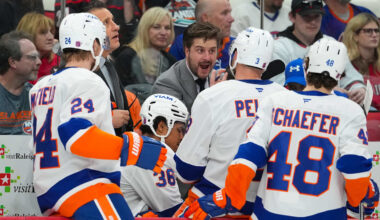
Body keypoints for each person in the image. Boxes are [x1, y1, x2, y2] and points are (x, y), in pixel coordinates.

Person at [184, 38, 379, 220]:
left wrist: (228, 196)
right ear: (341, 74)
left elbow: (249, 156)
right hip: (324, 213)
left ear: (306, 66)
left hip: (269, 212)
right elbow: (355, 172)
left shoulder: (276, 101)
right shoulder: (349, 110)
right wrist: (365, 197)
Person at [29, 12, 167, 219]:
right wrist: (129, 149)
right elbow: (75, 135)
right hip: (84, 185)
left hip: (48, 189)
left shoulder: (39, 86)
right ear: (94, 44)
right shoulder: (88, 80)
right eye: (100, 42)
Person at [173, 27, 287, 217]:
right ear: (266, 62)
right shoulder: (286, 98)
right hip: (264, 208)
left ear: (235, 55)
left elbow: (186, 172)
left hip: (214, 203)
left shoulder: (213, 95)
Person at [270, 0, 366, 105]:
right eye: (306, 16)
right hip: (295, 109)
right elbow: (277, 87)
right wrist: (326, 88)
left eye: (317, 16)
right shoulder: (278, 46)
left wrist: (358, 89)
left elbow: (351, 77)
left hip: (331, 108)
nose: (313, 22)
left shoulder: (332, 43)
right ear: (292, 17)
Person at [120, 93, 189, 217]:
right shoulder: (152, 152)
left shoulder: (135, 142)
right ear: (161, 127)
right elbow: (174, 213)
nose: (182, 137)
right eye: (180, 130)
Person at [152, 22, 226, 112]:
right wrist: (212, 96)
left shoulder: (220, 80)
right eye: (200, 50)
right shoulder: (167, 84)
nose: (207, 57)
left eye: (212, 51)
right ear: (187, 51)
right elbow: (180, 125)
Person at [87, 0, 134, 136]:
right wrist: (106, 121)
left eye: (113, 21)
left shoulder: (108, 64)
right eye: (106, 23)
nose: (116, 27)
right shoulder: (83, 71)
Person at [113, 7, 176, 87]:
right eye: (156, 27)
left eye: (167, 28)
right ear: (144, 29)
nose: (163, 32)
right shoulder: (126, 58)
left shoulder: (170, 61)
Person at [169, 0, 235, 70]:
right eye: (224, 13)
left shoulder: (236, 45)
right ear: (205, 18)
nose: (231, 19)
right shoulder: (183, 43)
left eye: (229, 12)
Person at [0, 31, 41, 135]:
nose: (39, 62)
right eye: (32, 57)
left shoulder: (35, 94)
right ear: (13, 62)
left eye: (38, 57)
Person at [342, 13, 380, 111]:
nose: (374, 35)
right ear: (355, 36)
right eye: (368, 31)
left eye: (377, 30)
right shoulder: (345, 64)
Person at [16, 12, 60, 84]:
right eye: (43, 32)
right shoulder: (17, 64)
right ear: (29, 34)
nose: (51, 37)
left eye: (51, 32)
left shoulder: (57, 59)